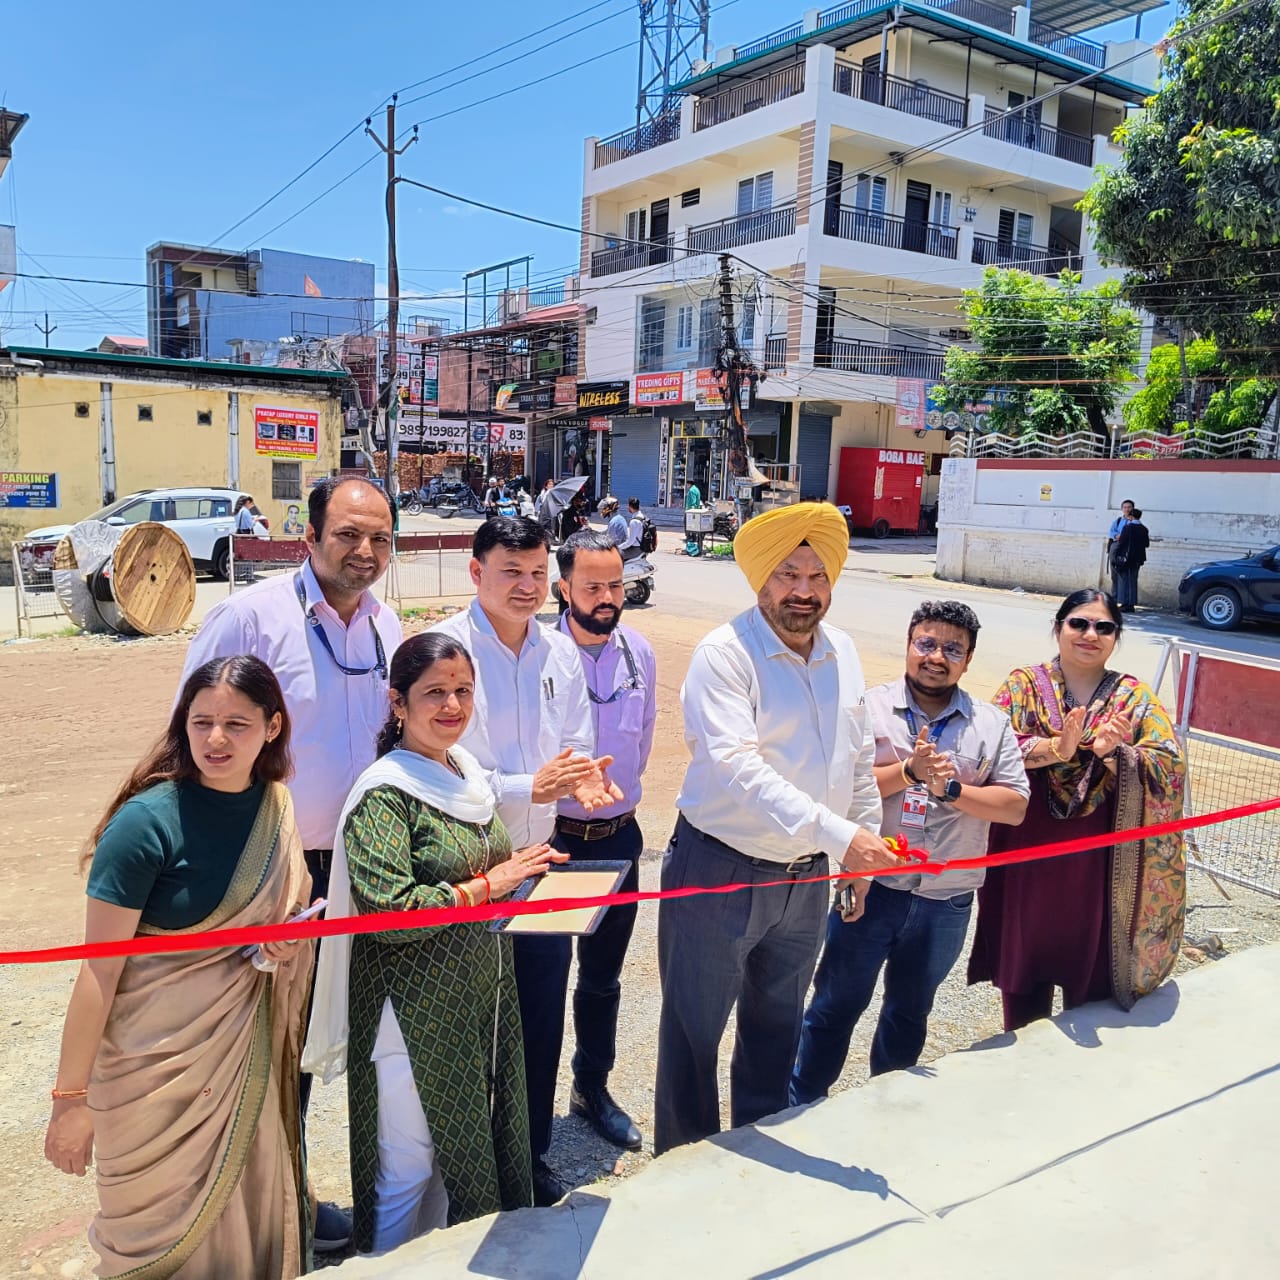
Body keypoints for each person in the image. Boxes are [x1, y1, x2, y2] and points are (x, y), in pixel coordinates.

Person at [183, 474, 401, 1253]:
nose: (364, 551)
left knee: (316, 1048)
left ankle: (293, 1205)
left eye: (379, 536)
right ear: (308, 536)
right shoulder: (251, 618)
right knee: (254, 1054)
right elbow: (194, 739)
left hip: (359, 870)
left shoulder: (387, 627)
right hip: (270, 870)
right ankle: (246, 1226)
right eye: (347, 534)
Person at [45, 656, 314, 1278]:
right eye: (202, 723)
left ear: (272, 727)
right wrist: (70, 1101)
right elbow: (97, 973)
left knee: (243, 1219)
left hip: (240, 1055)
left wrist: (282, 948)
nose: (216, 740)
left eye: (236, 724)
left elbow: (283, 924)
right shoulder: (143, 824)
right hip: (151, 1071)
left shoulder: (276, 808)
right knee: (150, 1241)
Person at [304, 633, 569, 1252]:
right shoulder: (384, 795)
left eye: (463, 692)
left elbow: (487, 864)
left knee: (456, 1161)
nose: (452, 705)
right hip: (408, 1012)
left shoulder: (465, 774)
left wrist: (520, 870)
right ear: (397, 703)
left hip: (473, 995)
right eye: (434, 694)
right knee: (408, 1169)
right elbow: (390, 911)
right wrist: (487, 884)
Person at [654, 502, 898, 1155]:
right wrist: (841, 837)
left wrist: (856, 853)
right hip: (718, 869)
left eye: (817, 577)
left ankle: (757, 1163)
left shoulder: (842, 650)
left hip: (806, 880)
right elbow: (740, 770)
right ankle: (684, 1180)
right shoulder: (724, 655)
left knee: (775, 1033)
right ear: (761, 580)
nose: (803, 590)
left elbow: (854, 757)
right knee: (692, 1038)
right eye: (788, 574)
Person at [431, 516, 622, 1206]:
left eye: (538, 574)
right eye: (511, 572)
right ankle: (461, 1167)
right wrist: (525, 787)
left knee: (540, 1015)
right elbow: (437, 761)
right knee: (466, 1022)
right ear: (475, 572)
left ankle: (528, 1154)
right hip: (466, 867)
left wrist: (583, 779)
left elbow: (575, 741)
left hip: (540, 863)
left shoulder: (558, 653)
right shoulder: (443, 649)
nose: (527, 586)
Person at [789, 602, 1029, 1103]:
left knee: (909, 1011)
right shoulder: (866, 707)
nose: (936, 656)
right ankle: (801, 1109)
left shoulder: (991, 724)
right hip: (870, 890)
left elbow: (1014, 806)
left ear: (968, 658)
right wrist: (910, 774)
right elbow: (834, 790)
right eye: (926, 643)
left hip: (947, 901)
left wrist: (953, 793)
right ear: (908, 644)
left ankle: (886, 1112)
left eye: (952, 648)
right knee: (834, 1006)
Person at [968, 588, 1187, 1031]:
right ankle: (1024, 1056)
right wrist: (1056, 748)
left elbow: (1170, 766)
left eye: (1104, 627)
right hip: (1028, 845)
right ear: (1058, 627)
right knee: (1025, 954)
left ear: (1115, 638)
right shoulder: (1023, 685)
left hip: (1099, 858)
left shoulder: (1134, 697)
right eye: (1079, 623)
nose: (1091, 634)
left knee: (1090, 960)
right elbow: (988, 747)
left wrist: (1114, 754)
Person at [552, 531, 657, 1151]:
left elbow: (641, 742)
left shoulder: (640, 652)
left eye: (615, 585)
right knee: (538, 979)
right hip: (554, 842)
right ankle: (524, 1104)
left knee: (602, 978)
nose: (606, 597)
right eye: (592, 586)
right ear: (564, 587)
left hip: (618, 838)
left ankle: (592, 1087)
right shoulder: (540, 653)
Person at [1112, 508, 1149, 612]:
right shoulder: (1144, 529)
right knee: (1133, 580)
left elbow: (1122, 542)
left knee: (1125, 580)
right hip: (1138, 558)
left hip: (1127, 558)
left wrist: (1116, 554)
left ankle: (1126, 603)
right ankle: (1132, 603)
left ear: (1131, 517)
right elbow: (1146, 544)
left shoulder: (1128, 528)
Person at [1106, 498, 1134, 597]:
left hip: (1126, 551)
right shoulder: (1118, 521)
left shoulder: (1134, 522)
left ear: (1133, 509)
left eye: (1129, 507)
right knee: (1114, 576)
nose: (1127, 509)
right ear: (1122, 509)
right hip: (1116, 550)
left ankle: (1124, 599)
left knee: (1125, 576)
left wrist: (1123, 537)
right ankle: (1114, 597)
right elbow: (1112, 532)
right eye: (1125, 507)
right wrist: (1116, 536)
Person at [619, 497, 646, 563]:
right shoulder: (642, 517)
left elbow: (630, 542)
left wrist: (618, 547)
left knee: (614, 555)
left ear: (630, 506)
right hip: (642, 547)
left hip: (636, 550)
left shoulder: (634, 522)